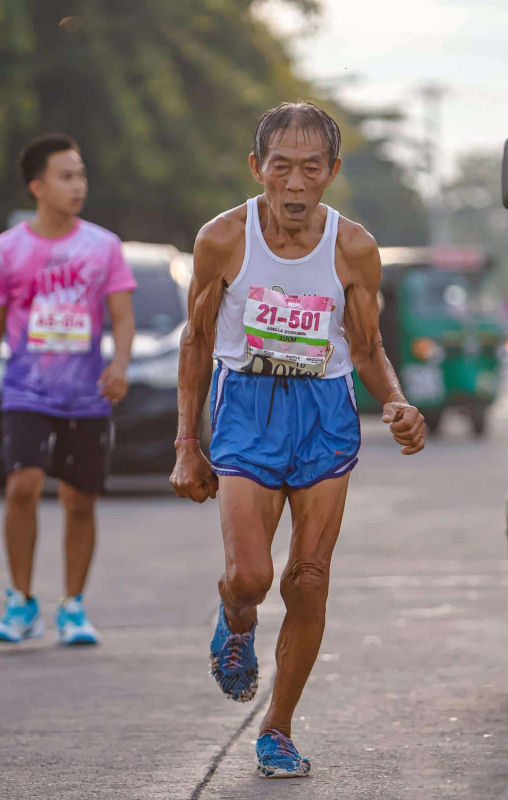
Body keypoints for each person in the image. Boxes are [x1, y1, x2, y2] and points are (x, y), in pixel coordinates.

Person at [170, 102, 425, 779]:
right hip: (246, 408)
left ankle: (276, 729)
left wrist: (397, 402)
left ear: (332, 173)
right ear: (257, 168)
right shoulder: (223, 240)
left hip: (323, 411)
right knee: (251, 576)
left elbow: (368, 347)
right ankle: (235, 617)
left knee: (307, 582)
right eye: (279, 167)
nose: (293, 184)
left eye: (310, 169)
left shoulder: (354, 248)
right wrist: (185, 445)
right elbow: (196, 341)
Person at [0, 134, 136, 646]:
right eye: (65, 176)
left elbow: (122, 316)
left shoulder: (103, 246)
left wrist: (119, 365)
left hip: (86, 395)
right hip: (25, 390)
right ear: (37, 186)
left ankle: (73, 607)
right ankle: (19, 601)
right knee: (22, 486)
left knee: (81, 500)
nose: (77, 185)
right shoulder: (9, 250)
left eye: (80, 175)